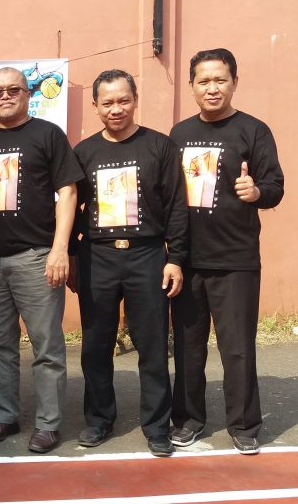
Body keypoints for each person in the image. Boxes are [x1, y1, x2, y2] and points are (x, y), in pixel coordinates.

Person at [170, 48, 284, 455]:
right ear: (192, 86)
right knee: (187, 348)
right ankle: (188, 420)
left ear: (234, 82)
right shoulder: (179, 134)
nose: (212, 88)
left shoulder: (254, 131)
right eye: (204, 81)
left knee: (237, 349)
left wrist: (257, 191)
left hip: (236, 259)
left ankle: (244, 424)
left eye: (220, 80)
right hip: (186, 260)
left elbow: (275, 187)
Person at [68, 69, 187, 457]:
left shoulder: (159, 146)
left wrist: (175, 258)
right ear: (95, 106)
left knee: (152, 346)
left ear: (135, 100)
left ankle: (157, 426)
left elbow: (176, 206)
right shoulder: (85, 152)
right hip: (97, 256)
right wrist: (71, 254)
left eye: (123, 100)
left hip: (147, 255)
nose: (116, 109)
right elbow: (72, 207)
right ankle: (99, 419)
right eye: (107, 103)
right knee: (95, 345)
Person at [0, 66, 84, 453]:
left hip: (36, 257)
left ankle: (48, 424)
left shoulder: (48, 135)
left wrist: (60, 248)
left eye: (13, 89)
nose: (5, 96)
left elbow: (68, 192)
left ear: (28, 94)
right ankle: (3, 416)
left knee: (46, 346)